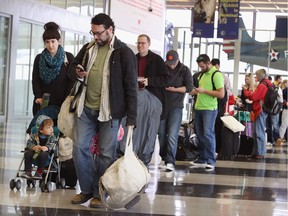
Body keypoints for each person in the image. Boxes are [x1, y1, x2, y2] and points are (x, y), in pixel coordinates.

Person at [68, 13, 137, 208]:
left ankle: (100, 192)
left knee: (106, 153)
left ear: (110, 30)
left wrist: (132, 116)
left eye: (99, 33)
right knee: (80, 148)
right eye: (93, 32)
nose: (96, 37)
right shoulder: (88, 48)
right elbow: (71, 69)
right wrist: (77, 72)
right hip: (86, 108)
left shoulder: (123, 52)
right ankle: (87, 190)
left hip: (111, 113)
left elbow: (131, 86)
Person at [135, 34, 169, 167]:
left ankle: (144, 160)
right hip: (136, 99)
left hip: (152, 99)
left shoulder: (157, 60)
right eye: (138, 43)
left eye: (143, 43)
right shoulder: (133, 58)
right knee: (135, 131)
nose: (140, 45)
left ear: (149, 44)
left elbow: (165, 79)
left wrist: (150, 81)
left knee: (149, 131)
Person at [158, 50, 193, 171]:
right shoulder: (162, 68)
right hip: (162, 106)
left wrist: (175, 89)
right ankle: (164, 157)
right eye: (169, 63)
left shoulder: (184, 70)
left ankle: (170, 161)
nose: (171, 65)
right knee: (161, 135)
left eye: (173, 63)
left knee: (172, 135)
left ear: (178, 60)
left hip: (176, 107)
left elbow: (189, 87)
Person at [189, 54, 224, 171]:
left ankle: (211, 160)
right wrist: (193, 91)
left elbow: (221, 94)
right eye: (199, 67)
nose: (201, 69)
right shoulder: (202, 74)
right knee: (200, 134)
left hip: (209, 109)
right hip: (198, 107)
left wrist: (204, 91)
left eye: (203, 66)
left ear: (208, 63)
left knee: (208, 134)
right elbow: (200, 90)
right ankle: (202, 158)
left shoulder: (216, 74)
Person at [32, 22, 74, 116]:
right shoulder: (39, 58)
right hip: (44, 103)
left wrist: (67, 100)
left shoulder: (68, 57)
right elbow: (36, 80)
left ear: (59, 41)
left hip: (62, 104)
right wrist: (38, 96)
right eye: (47, 42)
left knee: (60, 129)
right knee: (42, 129)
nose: (50, 45)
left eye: (53, 41)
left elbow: (72, 81)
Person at [243, 69, 271, 159]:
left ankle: (261, 152)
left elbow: (254, 96)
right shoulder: (266, 84)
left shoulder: (262, 86)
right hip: (261, 109)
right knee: (256, 132)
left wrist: (246, 91)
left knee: (259, 132)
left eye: (256, 75)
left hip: (260, 110)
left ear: (261, 76)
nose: (255, 77)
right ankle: (256, 152)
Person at [21, 115, 57, 180]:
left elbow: (52, 145)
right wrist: (33, 147)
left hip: (46, 155)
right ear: (41, 130)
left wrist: (47, 147)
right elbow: (29, 142)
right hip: (35, 152)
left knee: (42, 154)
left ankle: (39, 172)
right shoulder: (35, 135)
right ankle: (27, 171)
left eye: (52, 127)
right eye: (48, 127)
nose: (51, 129)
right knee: (27, 154)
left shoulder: (52, 137)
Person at [210, 58, 231, 154]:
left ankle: (216, 148)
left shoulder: (221, 76)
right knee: (215, 128)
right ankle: (216, 148)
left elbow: (228, 91)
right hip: (218, 105)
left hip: (217, 104)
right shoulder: (223, 76)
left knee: (215, 127)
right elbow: (228, 91)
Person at [266, 75, 282, 145]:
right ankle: (275, 139)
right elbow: (280, 100)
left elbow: (280, 100)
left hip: (271, 109)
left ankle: (275, 139)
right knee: (272, 125)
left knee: (272, 125)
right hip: (273, 110)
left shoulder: (276, 88)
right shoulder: (276, 88)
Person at [277, 79, 288, 146]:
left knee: (284, 124)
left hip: (285, 109)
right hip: (286, 109)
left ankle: (280, 138)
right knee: (284, 124)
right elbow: (281, 99)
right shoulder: (285, 90)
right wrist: (285, 102)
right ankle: (280, 138)